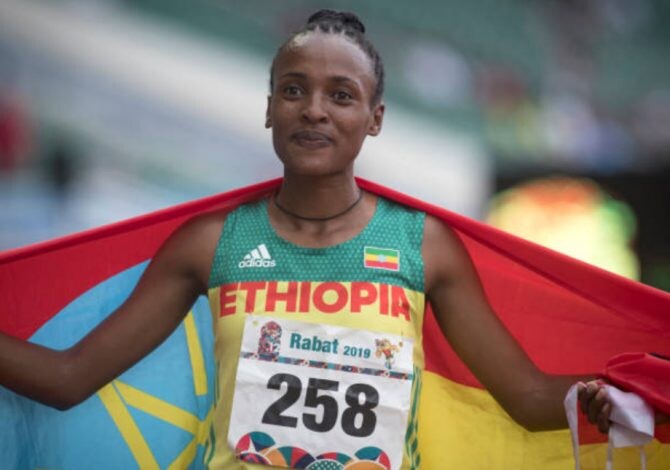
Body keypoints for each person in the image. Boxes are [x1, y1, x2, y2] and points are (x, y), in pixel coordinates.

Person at [0, 9, 657, 470]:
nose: (313, 108)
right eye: (294, 90)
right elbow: (69, 377)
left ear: (375, 118)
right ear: (269, 108)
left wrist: (612, 398)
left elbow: (530, 398)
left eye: (341, 95)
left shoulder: (422, 247)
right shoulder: (211, 243)